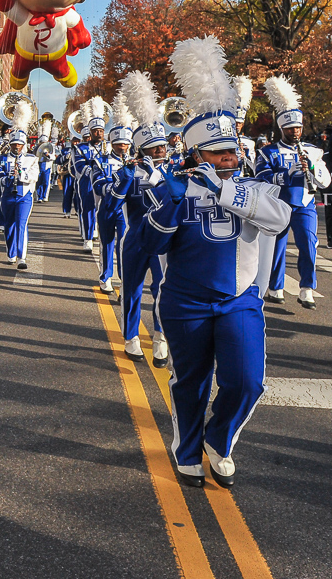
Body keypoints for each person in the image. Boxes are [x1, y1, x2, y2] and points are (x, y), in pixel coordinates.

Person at [137, 35, 291, 488]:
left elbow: (280, 219)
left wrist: (222, 189)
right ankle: (186, 449)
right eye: (218, 153)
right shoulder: (174, 188)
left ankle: (219, 439)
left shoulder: (254, 188)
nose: (229, 158)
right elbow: (150, 245)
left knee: (247, 381)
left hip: (239, 298)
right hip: (185, 300)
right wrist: (170, 201)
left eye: (232, 151)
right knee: (192, 382)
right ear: (196, 154)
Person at [256, 76, 331, 309]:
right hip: (278, 204)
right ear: (282, 129)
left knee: (308, 244)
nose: (295, 132)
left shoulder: (313, 150)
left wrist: (313, 168)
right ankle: (275, 287)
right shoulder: (268, 152)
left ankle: (307, 288)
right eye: (290, 128)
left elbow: (326, 181)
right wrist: (286, 174)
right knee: (276, 248)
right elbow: (261, 177)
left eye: (298, 127)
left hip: (305, 203)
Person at [111, 71, 169, 366]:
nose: (160, 151)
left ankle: (160, 336)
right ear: (141, 150)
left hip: (163, 239)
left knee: (162, 288)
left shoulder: (172, 172)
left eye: (162, 147)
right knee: (131, 288)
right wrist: (126, 177)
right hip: (134, 236)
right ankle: (131, 336)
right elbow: (112, 206)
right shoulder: (128, 172)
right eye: (154, 148)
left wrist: (157, 174)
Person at [93, 105, 134, 293]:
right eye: (118, 144)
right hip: (108, 206)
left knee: (124, 245)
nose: (122, 147)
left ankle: (125, 279)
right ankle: (105, 277)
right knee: (107, 243)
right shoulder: (100, 161)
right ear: (112, 143)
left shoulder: (134, 161)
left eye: (125, 144)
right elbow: (97, 185)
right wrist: (116, 188)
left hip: (126, 208)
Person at [0, 102, 39, 268]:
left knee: (21, 224)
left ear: (24, 145)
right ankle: (11, 252)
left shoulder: (31, 159)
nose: (17, 147)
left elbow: (34, 176)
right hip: (7, 195)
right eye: (14, 144)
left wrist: (22, 175)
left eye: (19, 145)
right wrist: (7, 179)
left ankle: (22, 257)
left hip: (24, 195)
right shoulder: (1, 158)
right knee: (9, 225)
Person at [72, 98, 108, 250]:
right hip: (87, 182)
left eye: (101, 131)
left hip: (106, 181)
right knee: (88, 209)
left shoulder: (109, 146)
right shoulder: (80, 148)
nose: (98, 134)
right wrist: (95, 170)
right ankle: (87, 238)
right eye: (95, 131)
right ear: (91, 132)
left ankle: (103, 234)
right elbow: (79, 166)